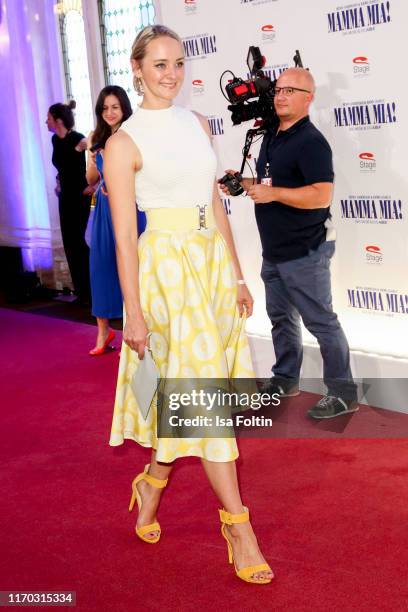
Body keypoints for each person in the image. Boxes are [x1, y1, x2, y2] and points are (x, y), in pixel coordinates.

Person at [104, 25, 273, 584]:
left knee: (196, 399)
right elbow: (125, 238)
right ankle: (238, 525)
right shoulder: (123, 143)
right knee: (203, 402)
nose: (171, 73)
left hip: (209, 270)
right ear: (136, 69)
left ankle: (151, 483)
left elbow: (215, 208)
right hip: (166, 277)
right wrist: (133, 312)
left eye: (177, 62)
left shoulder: (199, 123)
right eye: (158, 64)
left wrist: (237, 275)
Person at [220, 68, 358, 419]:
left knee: (322, 322)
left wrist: (272, 193)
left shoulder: (311, 141)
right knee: (281, 319)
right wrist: (245, 181)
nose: (280, 96)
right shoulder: (272, 135)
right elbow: (271, 181)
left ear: (308, 98)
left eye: (290, 91)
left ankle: (343, 393)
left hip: (305, 251)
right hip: (275, 252)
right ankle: (285, 379)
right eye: (278, 90)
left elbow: (321, 196)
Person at [86, 86, 146, 356]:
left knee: (132, 268)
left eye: (115, 107)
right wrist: (89, 156)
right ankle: (103, 331)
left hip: (132, 208)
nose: (110, 113)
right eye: (105, 108)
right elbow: (90, 180)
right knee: (101, 268)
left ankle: (131, 331)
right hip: (104, 210)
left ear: (124, 108)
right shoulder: (95, 138)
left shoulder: (135, 135)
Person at [47, 101, 92, 304]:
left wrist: (93, 184)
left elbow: (96, 156)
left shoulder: (78, 139)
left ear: (57, 120)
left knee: (80, 243)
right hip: (65, 198)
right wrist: (58, 182)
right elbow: (62, 167)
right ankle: (81, 292)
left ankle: (92, 291)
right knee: (69, 244)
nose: (45, 121)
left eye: (48, 117)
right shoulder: (55, 140)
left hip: (80, 198)